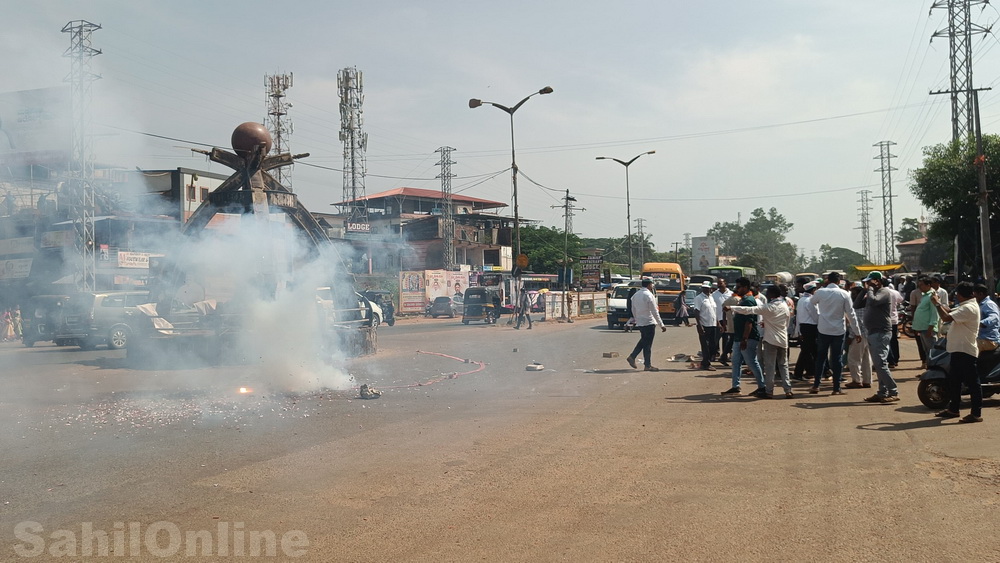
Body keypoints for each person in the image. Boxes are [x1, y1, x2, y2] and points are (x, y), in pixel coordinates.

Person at [726, 285, 794, 399]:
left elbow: (750, 310)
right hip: (783, 340)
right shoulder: (785, 306)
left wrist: (731, 308)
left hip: (771, 340)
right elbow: (785, 323)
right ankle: (788, 390)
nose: (766, 295)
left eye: (767, 293)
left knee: (770, 367)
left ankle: (769, 391)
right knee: (783, 365)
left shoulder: (769, 307)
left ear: (772, 295)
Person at [931, 282, 983, 423]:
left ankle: (976, 413)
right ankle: (953, 409)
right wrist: (940, 303)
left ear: (960, 295)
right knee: (955, 381)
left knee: (973, 383)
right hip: (958, 349)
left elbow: (946, 317)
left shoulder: (969, 308)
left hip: (965, 350)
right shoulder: (965, 306)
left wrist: (936, 304)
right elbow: (950, 311)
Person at [811, 271, 860, 396]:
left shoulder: (820, 292)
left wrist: (818, 317)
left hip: (823, 329)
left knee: (821, 357)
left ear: (828, 280)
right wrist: (857, 331)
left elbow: (812, 303)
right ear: (839, 281)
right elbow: (851, 314)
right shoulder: (844, 293)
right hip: (838, 330)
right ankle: (836, 388)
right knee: (837, 358)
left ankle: (816, 385)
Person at [857, 272, 899, 403]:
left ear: (878, 281)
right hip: (873, 332)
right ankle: (882, 392)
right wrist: (864, 290)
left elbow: (874, 302)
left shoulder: (884, 292)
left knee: (880, 364)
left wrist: (869, 290)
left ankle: (893, 391)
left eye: (871, 281)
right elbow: (856, 304)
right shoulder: (871, 293)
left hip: (881, 332)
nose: (869, 283)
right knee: (879, 363)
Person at [721, 277, 766, 396]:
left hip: (747, 338)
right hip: (739, 337)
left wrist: (745, 339)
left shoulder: (749, 301)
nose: (737, 289)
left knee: (751, 362)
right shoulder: (743, 299)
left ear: (745, 287)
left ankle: (762, 386)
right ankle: (735, 386)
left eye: (739, 287)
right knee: (736, 362)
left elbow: (749, 322)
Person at [625, 279, 667, 372]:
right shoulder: (649, 295)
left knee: (644, 341)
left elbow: (633, 309)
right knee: (647, 344)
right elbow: (654, 311)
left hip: (641, 322)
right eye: (651, 284)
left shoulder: (635, 295)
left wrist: (637, 319)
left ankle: (633, 357)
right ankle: (646, 364)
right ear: (649, 285)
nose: (652, 286)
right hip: (649, 322)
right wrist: (661, 324)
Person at [844, 282, 872, 390]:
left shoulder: (856, 308)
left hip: (858, 336)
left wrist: (851, 337)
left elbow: (856, 324)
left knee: (853, 359)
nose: (852, 295)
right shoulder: (867, 306)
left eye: (855, 294)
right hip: (867, 335)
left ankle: (856, 380)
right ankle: (867, 380)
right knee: (866, 359)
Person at [793, 281, 819, 380]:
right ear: (813, 290)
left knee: (809, 351)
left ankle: (818, 371)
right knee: (808, 351)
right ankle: (798, 373)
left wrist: (798, 330)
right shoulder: (809, 301)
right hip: (811, 327)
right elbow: (815, 315)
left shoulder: (801, 300)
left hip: (803, 327)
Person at [911, 276, 939, 368]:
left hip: (928, 329)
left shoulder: (932, 296)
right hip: (922, 328)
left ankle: (934, 370)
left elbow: (934, 313)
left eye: (922, 285)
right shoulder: (925, 296)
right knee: (927, 351)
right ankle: (929, 369)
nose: (920, 287)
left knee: (932, 352)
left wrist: (930, 328)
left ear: (928, 285)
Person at [692, 281, 717, 371]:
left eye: (707, 288)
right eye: (704, 288)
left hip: (712, 324)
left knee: (713, 345)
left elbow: (714, 312)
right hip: (704, 325)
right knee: (705, 345)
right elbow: (696, 311)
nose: (705, 289)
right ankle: (706, 364)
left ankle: (704, 362)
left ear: (710, 288)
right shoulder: (699, 298)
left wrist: (718, 323)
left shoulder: (711, 297)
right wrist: (699, 325)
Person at [712, 279, 733, 363]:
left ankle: (725, 355)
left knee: (726, 338)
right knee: (716, 338)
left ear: (725, 283)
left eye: (721, 283)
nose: (719, 285)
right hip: (718, 319)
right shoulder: (714, 294)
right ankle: (714, 354)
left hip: (728, 319)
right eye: (718, 284)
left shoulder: (731, 294)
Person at [973, 284, 999, 352]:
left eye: (975, 296)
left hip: (988, 340)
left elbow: (994, 317)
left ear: (980, 294)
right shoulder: (979, 304)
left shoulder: (989, 304)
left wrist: (980, 323)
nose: (974, 298)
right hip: (980, 337)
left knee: (967, 347)